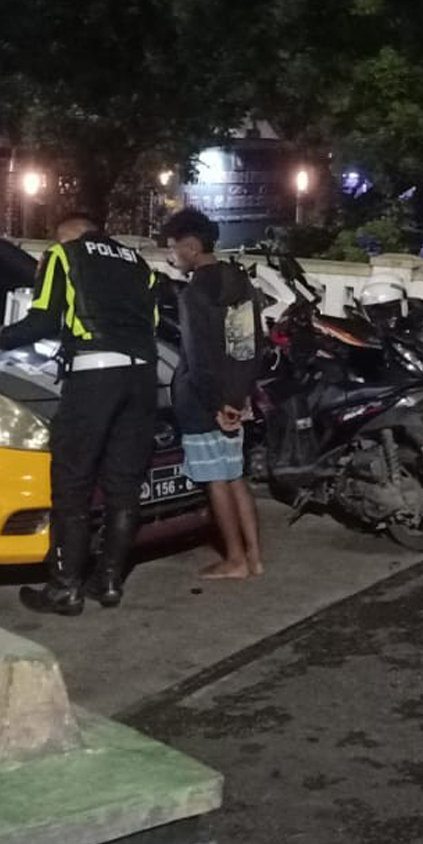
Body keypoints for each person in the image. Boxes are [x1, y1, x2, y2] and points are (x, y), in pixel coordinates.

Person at [0, 212, 160, 615]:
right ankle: (108, 581)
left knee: (73, 481)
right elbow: (152, 322)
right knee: (124, 483)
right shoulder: (139, 264)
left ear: (69, 234)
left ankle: (64, 587)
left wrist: (3, 337)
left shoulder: (64, 255)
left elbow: (44, 318)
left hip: (93, 375)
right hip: (143, 377)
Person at [160, 207, 264, 580]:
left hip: (204, 402)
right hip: (236, 396)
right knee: (235, 476)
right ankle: (254, 557)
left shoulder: (194, 294)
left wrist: (217, 403)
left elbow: (199, 356)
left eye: (173, 248)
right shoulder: (240, 284)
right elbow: (248, 346)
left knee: (215, 480)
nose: (171, 256)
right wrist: (239, 397)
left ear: (191, 246)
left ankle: (234, 559)